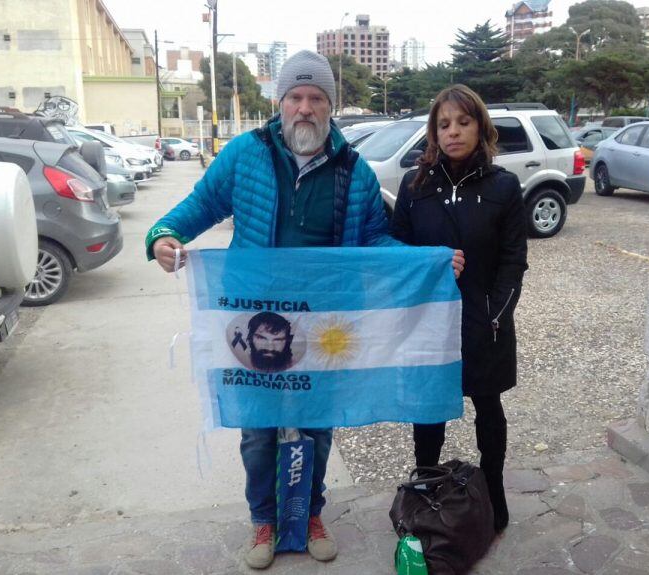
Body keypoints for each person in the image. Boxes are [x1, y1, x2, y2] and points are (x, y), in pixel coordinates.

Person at [146, 50, 463, 570]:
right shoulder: (245, 154)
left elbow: (373, 240)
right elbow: (201, 204)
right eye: (296, 96)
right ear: (280, 102)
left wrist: (425, 261)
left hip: (323, 322)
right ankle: (263, 521)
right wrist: (164, 235)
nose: (305, 108)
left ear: (331, 107)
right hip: (252, 320)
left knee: (317, 424)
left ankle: (311, 513)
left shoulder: (353, 171)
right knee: (258, 430)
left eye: (317, 98)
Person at [390, 84, 528, 535]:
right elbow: (397, 251)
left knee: (488, 408)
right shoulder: (416, 187)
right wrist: (430, 261)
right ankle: (426, 486)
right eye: (444, 124)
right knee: (429, 411)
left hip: (483, 320)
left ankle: (494, 491)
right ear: (433, 132)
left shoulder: (504, 186)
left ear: (480, 127)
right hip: (430, 321)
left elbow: (513, 258)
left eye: (463, 122)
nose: (453, 132)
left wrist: (497, 313)